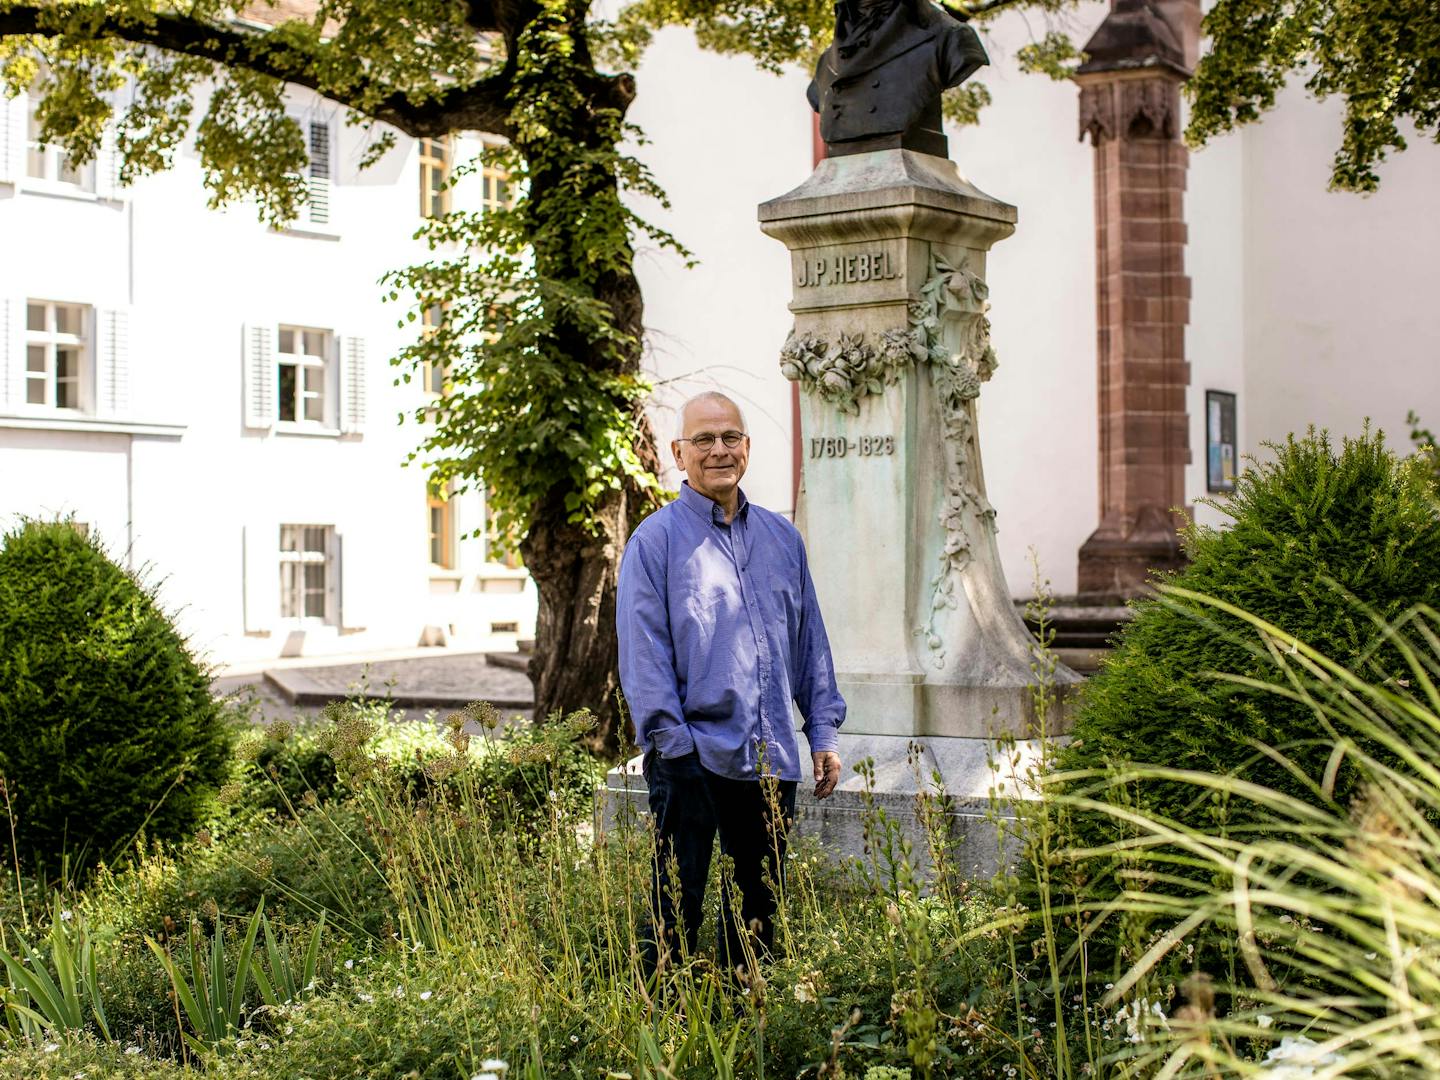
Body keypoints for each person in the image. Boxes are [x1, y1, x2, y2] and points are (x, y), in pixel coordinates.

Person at [617, 390, 846, 979]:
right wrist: (674, 749)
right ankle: (659, 1034)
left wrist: (821, 732)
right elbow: (645, 656)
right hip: (692, 756)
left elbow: (808, 643)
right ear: (678, 452)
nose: (719, 450)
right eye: (704, 440)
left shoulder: (782, 539)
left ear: (746, 447)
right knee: (676, 909)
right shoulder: (655, 542)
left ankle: (751, 1033)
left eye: (730, 438)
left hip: (771, 757)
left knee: (760, 916)